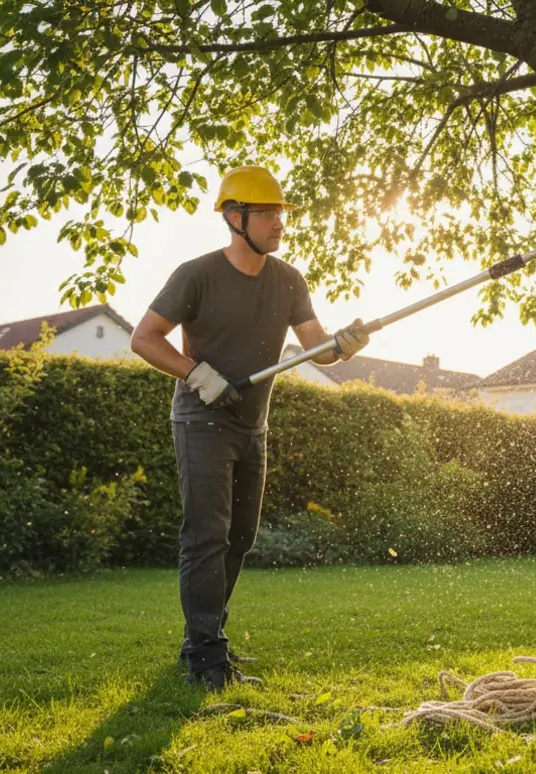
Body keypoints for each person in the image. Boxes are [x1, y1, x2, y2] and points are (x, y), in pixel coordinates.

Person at [130, 165, 369, 690]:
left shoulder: (289, 281)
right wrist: (195, 373)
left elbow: (316, 346)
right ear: (235, 218)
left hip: (251, 425)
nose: (279, 223)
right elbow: (144, 338)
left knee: (240, 537)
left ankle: (203, 640)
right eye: (268, 213)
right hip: (201, 420)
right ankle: (207, 658)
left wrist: (342, 345)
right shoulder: (196, 274)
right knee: (206, 537)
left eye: (281, 213)